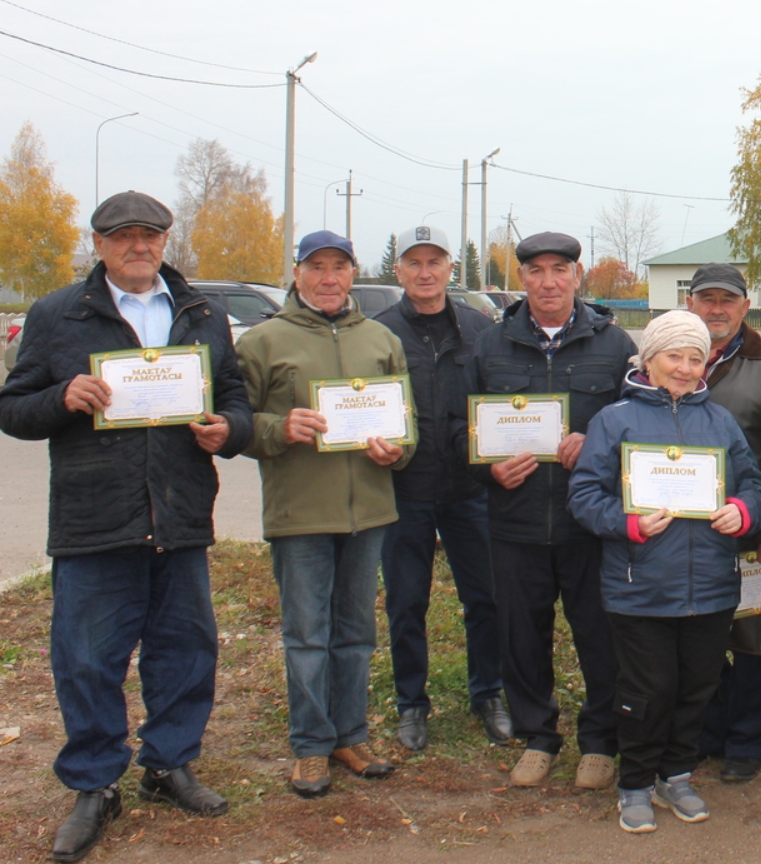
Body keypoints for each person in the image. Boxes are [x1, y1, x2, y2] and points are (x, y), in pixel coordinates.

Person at [0, 192, 251, 862]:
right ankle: (94, 783)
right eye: (123, 236)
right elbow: (14, 407)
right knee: (86, 660)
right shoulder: (59, 314)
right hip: (94, 518)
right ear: (100, 243)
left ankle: (169, 765)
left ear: (168, 240)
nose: (138, 246)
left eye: (150, 235)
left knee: (185, 650)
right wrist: (62, 397)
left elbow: (233, 397)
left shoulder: (203, 313)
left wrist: (231, 430)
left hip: (180, 511)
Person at [568, 311, 761, 833]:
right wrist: (628, 524)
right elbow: (585, 496)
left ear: (706, 365)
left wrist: (743, 513)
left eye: (695, 357)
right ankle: (635, 781)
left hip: (712, 586)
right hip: (640, 587)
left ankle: (675, 773)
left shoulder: (719, 421)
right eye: (673, 356)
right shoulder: (615, 420)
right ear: (649, 360)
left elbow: (753, 483)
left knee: (696, 686)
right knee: (645, 691)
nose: (684, 367)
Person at [235, 230, 411, 798]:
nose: (329, 278)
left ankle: (349, 736)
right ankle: (310, 745)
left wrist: (396, 450)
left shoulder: (381, 339)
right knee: (307, 634)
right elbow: (236, 425)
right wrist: (279, 428)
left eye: (339, 267)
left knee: (356, 633)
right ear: (297, 273)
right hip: (300, 513)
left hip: (370, 511)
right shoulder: (263, 341)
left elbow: (406, 426)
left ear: (352, 274)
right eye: (317, 267)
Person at [460, 231, 635, 790]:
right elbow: (458, 431)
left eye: (560, 269)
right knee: (521, 634)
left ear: (578, 277)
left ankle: (600, 741)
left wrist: (597, 442)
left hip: (589, 524)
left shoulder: (614, 345)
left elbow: (642, 429)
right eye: (536, 271)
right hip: (516, 522)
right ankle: (538, 735)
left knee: (599, 635)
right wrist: (487, 470)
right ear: (523, 279)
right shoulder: (490, 346)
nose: (549, 281)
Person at [371, 227, 508, 751]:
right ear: (399, 271)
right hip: (404, 488)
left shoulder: (480, 328)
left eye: (435, 262)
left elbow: (499, 395)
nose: (425, 272)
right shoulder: (379, 333)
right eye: (414, 263)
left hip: (470, 488)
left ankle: (488, 694)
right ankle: (411, 702)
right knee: (407, 602)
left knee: (486, 597)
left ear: (450, 268)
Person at [685, 264, 761, 782]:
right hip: (687, 533)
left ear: (745, 305)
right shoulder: (668, 362)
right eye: (706, 298)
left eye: (726, 300)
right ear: (690, 303)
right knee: (698, 640)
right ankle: (707, 732)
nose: (716, 309)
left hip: (753, 533)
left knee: (757, 641)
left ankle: (749, 741)